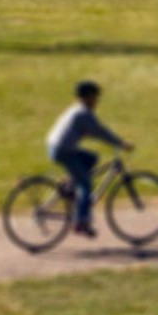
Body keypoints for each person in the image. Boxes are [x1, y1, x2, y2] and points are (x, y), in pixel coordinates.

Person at [47, 80, 133, 237]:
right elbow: (100, 131)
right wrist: (121, 143)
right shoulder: (83, 114)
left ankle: (70, 185)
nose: (97, 101)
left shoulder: (77, 110)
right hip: (63, 150)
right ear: (87, 97)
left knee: (92, 158)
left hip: (58, 147)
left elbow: (91, 131)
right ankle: (81, 221)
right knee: (86, 185)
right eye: (95, 97)